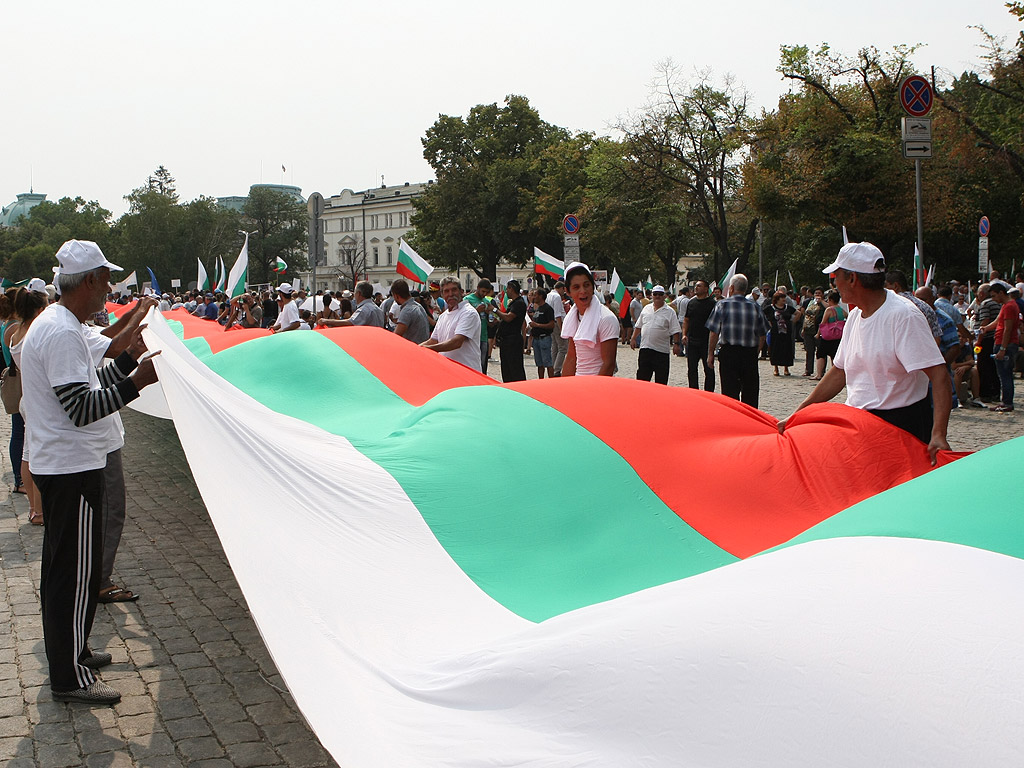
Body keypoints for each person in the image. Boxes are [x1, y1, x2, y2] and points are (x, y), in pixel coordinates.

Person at [21, 240, 160, 705]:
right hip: (71, 466)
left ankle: (73, 650)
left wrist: (124, 363)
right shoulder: (61, 332)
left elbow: (89, 381)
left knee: (68, 569)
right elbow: (80, 408)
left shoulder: (63, 324)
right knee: (74, 575)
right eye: (105, 280)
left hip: (67, 464)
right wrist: (137, 382)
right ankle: (69, 676)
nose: (109, 290)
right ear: (88, 281)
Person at [779, 242, 951, 464]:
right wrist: (800, 412)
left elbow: (939, 375)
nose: (834, 284)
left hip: (901, 425)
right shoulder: (854, 316)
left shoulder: (904, 316)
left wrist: (938, 434)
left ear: (852, 279)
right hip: (860, 423)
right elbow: (839, 372)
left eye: (836, 277)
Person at [706, 274, 768, 407]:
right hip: (749, 353)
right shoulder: (755, 307)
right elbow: (763, 334)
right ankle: (750, 420)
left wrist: (710, 353)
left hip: (729, 353)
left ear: (732, 288)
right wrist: (755, 352)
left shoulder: (722, 305)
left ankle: (732, 419)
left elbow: (714, 332)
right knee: (750, 392)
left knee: (729, 392)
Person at [561, 262, 619, 377]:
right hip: (578, 383)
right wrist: (563, 389)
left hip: (599, 386)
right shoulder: (572, 317)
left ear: (593, 287)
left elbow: (608, 364)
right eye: (576, 287)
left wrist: (592, 392)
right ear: (568, 292)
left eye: (586, 285)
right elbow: (572, 357)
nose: (583, 291)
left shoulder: (606, 318)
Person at [421, 278, 482, 372]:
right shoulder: (443, 316)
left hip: (467, 372)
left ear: (461, 292)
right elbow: (433, 340)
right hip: (447, 371)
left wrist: (427, 349)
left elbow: (457, 342)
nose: (450, 294)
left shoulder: (468, 313)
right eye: (446, 291)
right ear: (442, 294)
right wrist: (415, 348)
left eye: (454, 290)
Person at [630, 285, 681, 384]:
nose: (657, 296)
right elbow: (639, 326)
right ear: (652, 295)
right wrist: (633, 338)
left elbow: (675, 330)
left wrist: (676, 344)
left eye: (660, 294)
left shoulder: (670, 312)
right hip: (645, 349)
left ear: (664, 296)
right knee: (642, 380)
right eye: (655, 294)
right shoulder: (646, 309)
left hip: (661, 351)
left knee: (661, 381)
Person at [984, 281, 1020, 412]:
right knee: (1004, 374)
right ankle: (1005, 401)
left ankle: (1007, 402)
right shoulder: (1006, 306)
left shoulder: (1010, 306)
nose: (993, 299)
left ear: (1001, 293)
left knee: (1005, 374)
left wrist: (1002, 349)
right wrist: (986, 328)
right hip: (1002, 342)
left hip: (1006, 344)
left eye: (994, 296)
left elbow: (1008, 329)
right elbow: (998, 321)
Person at [683, 280, 716, 392]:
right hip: (692, 341)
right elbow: (686, 320)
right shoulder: (691, 303)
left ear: (706, 289)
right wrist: (684, 334)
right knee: (692, 369)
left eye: (699, 286)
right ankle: (693, 391)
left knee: (709, 369)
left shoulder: (712, 304)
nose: (696, 288)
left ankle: (709, 393)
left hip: (706, 342)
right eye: (696, 286)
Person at [492, 280, 527, 383]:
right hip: (506, 340)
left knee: (514, 369)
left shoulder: (519, 303)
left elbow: (509, 318)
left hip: (513, 340)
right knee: (506, 369)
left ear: (511, 288)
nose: (506, 291)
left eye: (507, 289)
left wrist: (494, 310)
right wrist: (498, 322)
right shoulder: (513, 303)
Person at [764, 291, 800, 376]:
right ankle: (776, 368)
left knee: (786, 350)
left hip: (786, 332)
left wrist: (793, 322)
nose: (784, 299)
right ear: (777, 299)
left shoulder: (788, 308)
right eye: (782, 298)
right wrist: (768, 323)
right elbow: (762, 314)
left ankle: (786, 368)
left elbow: (798, 313)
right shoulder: (770, 308)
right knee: (775, 350)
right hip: (775, 332)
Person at [319, 282, 385, 328]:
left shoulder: (364, 309)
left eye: (355, 293)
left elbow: (350, 323)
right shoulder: (378, 309)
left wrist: (326, 321)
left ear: (359, 293)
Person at [464, 279, 495, 371]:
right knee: (471, 364)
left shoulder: (486, 301)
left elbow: (489, 321)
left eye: (486, 292)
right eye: (483, 291)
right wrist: (476, 310)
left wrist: (491, 319)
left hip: (483, 335)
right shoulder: (468, 299)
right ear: (478, 288)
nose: (484, 294)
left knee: (482, 365)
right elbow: (463, 317)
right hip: (471, 337)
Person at [391, 279, 431, 345]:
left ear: (396, 295)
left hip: (413, 349)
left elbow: (396, 335)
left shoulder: (407, 310)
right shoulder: (418, 306)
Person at [528, 287, 556, 378]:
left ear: (541, 296)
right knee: (539, 363)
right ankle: (541, 380)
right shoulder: (538, 308)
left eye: (535, 295)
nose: (533, 297)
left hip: (544, 338)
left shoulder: (548, 309)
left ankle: (551, 381)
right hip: (536, 339)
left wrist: (537, 325)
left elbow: (552, 324)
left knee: (547, 362)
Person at [801, 287, 825, 377]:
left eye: (819, 293)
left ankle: (821, 371)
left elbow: (829, 308)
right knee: (809, 350)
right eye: (816, 293)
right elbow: (806, 316)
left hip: (819, 330)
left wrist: (821, 301)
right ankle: (808, 369)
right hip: (809, 329)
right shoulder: (810, 302)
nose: (817, 295)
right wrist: (803, 328)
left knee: (820, 351)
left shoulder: (824, 303)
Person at [547, 281, 568, 375]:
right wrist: (561, 328)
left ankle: (553, 367)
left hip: (550, 323)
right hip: (557, 323)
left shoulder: (548, 295)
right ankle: (557, 369)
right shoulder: (557, 297)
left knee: (554, 347)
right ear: (561, 288)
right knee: (563, 347)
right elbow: (558, 315)